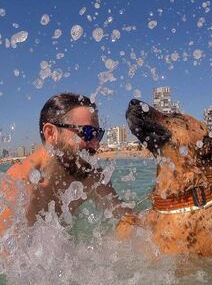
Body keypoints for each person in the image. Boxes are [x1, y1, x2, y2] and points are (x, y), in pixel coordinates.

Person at [1, 93, 132, 235]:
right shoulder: (18, 187)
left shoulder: (90, 177)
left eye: (98, 134)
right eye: (87, 133)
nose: (96, 145)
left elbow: (127, 218)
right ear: (51, 134)